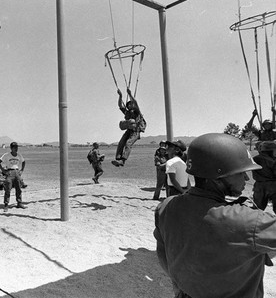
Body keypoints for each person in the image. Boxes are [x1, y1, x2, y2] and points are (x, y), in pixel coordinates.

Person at [154, 133, 276, 298]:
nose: (246, 178)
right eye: (240, 173)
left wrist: (182, 285)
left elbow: (162, 253)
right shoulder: (249, 221)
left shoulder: (166, 207)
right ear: (218, 178)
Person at [111, 88, 146, 167]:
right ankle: (118, 158)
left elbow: (135, 103)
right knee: (121, 143)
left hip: (135, 131)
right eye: (129, 104)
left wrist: (130, 94)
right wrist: (120, 96)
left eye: (131, 104)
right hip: (129, 131)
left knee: (128, 143)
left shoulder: (137, 112)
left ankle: (123, 161)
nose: (130, 105)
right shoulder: (127, 112)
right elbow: (120, 105)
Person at [0, 142, 26, 211]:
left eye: (17, 147)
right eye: (14, 147)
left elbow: (24, 162)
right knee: (8, 189)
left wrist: (21, 170)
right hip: (9, 172)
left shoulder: (19, 155)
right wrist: (3, 170)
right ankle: (6, 205)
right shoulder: (6, 155)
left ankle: (19, 203)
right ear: (11, 148)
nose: (16, 149)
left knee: (18, 188)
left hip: (17, 172)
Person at [252, 140, 276, 214]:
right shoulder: (273, 161)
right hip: (273, 186)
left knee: (257, 209)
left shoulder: (255, 159)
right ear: (271, 150)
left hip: (259, 185)